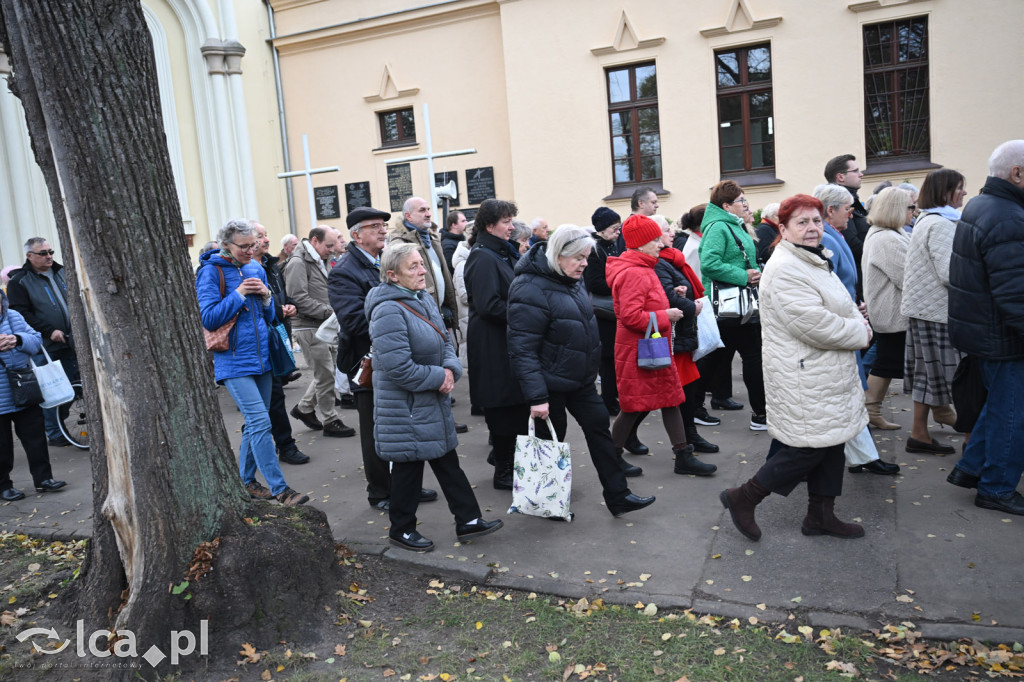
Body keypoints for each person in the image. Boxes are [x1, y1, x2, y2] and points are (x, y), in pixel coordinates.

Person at [720, 194, 871, 541]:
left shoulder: (813, 259)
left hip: (825, 370)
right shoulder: (787, 267)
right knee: (808, 448)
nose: (812, 228)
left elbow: (844, 306)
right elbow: (815, 324)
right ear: (783, 229)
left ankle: (820, 515)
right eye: (802, 222)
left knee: (833, 442)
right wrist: (860, 331)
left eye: (816, 221)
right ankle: (744, 496)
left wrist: (855, 322)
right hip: (805, 373)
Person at [507, 225, 656, 515]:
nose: (585, 264)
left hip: (581, 380)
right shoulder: (528, 287)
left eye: (587, 257)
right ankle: (546, 504)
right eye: (579, 258)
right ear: (558, 255)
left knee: (600, 430)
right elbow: (522, 348)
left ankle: (618, 496)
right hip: (550, 384)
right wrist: (537, 397)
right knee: (550, 443)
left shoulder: (571, 279)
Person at [366, 242, 502, 552]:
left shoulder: (422, 298)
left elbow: (444, 344)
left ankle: (468, 520)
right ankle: (401, 530)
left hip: (429, 400)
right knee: (407, 469)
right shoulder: (387, 310)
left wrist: (451, 369)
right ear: (392, 275)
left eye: (421, 264)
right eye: (412, 267)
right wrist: (440, 377)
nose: (422, 270)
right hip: (406, 406)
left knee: (447, 462)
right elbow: (397, 367)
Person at [328, 206, 439, 511]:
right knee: (377, 430)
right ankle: (381, 492)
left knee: (405, 426)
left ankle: (406, 488)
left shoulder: (386, 260)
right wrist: (400, 323)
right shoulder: (344, 272)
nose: (381, 230)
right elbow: (352, 321)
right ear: (356, 235)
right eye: (373, 226)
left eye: (382, 225)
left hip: (400, 356)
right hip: (370, 363)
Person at [196, 219, 308, 506]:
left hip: (263, 359)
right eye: (243, 246)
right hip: (233, 361)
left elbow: (269, 319)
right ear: (226, 245)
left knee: (255, 424)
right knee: (261, 422)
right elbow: (208, 318)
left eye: (253, 245)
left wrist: (269, 298)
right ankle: (280, 489)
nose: (250, 251)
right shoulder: (211, 271)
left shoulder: (255, 267)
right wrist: (239, 293)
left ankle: (246, 482)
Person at [946, 140, 1024, 515]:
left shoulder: (981, 204)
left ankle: (971, 467)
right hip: (1003, 336)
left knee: (999, 408)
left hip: (986, 331)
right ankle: (995, 487)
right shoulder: (1007, 216)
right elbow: (1016, 292)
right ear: (1017, 173)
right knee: (1012, 416)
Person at [607, 215, 716, 477]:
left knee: (671, 399)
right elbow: (630, 316)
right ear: (641, 243)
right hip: (640, 349)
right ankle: (611, 458)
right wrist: (665, 315)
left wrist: (671, 300)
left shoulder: (645, 266)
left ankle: (683, 455)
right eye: (655, 238)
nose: (660, 243)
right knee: (633, 406)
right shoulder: (634, 271)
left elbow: (643, 305)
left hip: (650, 346)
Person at [809, 185, 900, 475]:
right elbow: (826, 285)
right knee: (839, 400)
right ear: (830, 210)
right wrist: (850, 309)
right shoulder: (822, 236)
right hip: (838, 326)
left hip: (847, 320)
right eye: (848, 208)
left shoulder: (835, 233)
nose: (852, 213)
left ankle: (864, 456)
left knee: (848, 396)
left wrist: (855, 304)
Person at [864, 188, 947, 453]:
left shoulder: (890, 234)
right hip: (892, 313)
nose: (915, 212)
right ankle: (871, 409)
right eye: (911, 208)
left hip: (893, 312)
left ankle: (873, 409)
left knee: (890, 362)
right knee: (891, 362)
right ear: (896, 209)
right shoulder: (886, 238)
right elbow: (909, 277)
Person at [463, 199, 528, 488]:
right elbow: (489, 305)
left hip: (506, 341)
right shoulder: (483, 257)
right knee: (503, 409)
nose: (511, 226)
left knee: (514, 408)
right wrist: (527, 314)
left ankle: (505, 461)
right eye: (506, 221)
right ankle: (503, 471)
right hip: (492, 344)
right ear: (489, 225)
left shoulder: (501, 252)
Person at [901, 168, 968, 447]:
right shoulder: (940, 223)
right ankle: (971, 442)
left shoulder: (928, 220)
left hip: (926, 311)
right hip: (939, 313)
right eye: (960, 188)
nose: (964, 192)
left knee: (927, 375)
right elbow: (950, 273)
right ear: (945, 192)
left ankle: (919, 433)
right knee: (962, 380)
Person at [697, 180, 767, 429]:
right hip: (729, 304)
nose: (746, 204)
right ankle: (760, 415)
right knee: (747, 357)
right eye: (741, 201)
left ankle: (695, 408)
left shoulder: (732, 225)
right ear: (726, 205)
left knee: (717, 357)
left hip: (738, 304)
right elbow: (709, 264)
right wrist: (744, 276)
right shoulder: (719, 227)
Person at [282, 226, 356, 438]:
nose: (332, 250)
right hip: (309, 326)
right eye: (329, 245)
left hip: (322, 324)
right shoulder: (298, 262)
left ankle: (304, 408)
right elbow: (298, 299)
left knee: (327, 372)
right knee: (325, 375)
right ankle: (330, 420)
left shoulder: (317, 259)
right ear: (315, 241)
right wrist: (330, 312)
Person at [653, 218, 719, 455]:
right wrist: (689, 304)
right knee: (672, 394)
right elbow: (665, 299)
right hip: (674, 334)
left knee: (687, 388)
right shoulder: (661, 262)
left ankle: (690, 435)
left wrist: (681, 293)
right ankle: (624, 439)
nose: (672, 233)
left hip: (683, 332)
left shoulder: (672, 258)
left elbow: (672, 291)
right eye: (666, 230)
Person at [7, 238, 80, 448]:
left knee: (73, 387)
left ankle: (61, 426)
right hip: (46, 346)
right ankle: (55, 432)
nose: (49, 256)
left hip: (73, 340)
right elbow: (21, 313)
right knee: (52, 388)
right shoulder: (19, 281)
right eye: (42, 253)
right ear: (30, 256)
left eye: (50, 251)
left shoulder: (63, 272)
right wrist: (48, 331)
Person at [0, 290, 66, 501]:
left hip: (24, 387)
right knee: (2, 445)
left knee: (35, 437)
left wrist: (17, 340)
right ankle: (3, 486)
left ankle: (43, 479)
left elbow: (36, 341)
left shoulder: (14, 316)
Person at [252, 223, 309, 465]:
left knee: (274, 396)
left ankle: (284, 445)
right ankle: (268, 448)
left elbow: (280, 294)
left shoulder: (271, 265)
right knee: (263, 401)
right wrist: (278, 308)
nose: (266, 240)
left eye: (266, 235)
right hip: (255, 342)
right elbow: (255, 306)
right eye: (260, 236)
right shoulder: (243, 269)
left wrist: (290, 304)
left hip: (276, 335)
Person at [585, 207, 624, 416]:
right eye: (614, 229)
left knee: (615, 359)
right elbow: (595, 283)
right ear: (601, 230)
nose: (618, 233)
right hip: (603, 313)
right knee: (608, 360)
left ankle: (613, 397)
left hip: (613, 309)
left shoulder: (611, 247)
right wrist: (620, 285)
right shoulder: (595, 250)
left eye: (619, 228)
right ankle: (609, 401)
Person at [824, 154, 869, 292]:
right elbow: (851, 242)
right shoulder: (839, 202)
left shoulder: (852, 199)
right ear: (840, 177)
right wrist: (874, 252)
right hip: (853, 281)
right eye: (855, 171)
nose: (861, 174)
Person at [754, 202, 781, 267]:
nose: (781, 218)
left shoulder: (774, 228)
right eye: (778, 216)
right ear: (768, 217)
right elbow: (764, 253)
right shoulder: (763, 229)